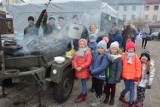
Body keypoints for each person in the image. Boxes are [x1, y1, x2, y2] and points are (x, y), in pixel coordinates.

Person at [119, 39, 142, 107]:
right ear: (127, 49)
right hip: (125, 76)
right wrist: (120, 74)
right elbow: (120, 65)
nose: (131, 50)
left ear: (134, 49)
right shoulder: (123, 56)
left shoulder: (136, 57)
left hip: (133, 77)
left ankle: (130, 102)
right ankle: (122, 95)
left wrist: (137, 76)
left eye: (132, 49)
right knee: (127, 88)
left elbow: (138, 67)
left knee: (131, 89)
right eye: (130, 49)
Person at [89, 40, 109, 107]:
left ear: (105, 49)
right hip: (94, 75)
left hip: (100, 76)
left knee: (99, 88)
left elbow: (102, 67)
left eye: (102, 48)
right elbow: (92, 62)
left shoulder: (105, 57)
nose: (100, 49)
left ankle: (98, 98)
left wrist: (93, 71)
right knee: (95, 87)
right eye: (99, 48)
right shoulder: (96, 54)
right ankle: (97, 96)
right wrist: (90, 69)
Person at [73, 39, 92, 103]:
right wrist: (76, 67)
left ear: (86, 44)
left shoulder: (87, 52)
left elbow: (88, 62)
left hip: (84, 70)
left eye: (83, 44)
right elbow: (74, 60)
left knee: (84, 83)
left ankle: (83, 95)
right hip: (79, 70)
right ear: (79, 45)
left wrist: (81, 67)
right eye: (80, 44)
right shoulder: (77, 52)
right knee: (82, 82)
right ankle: (84, 93)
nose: (82, 45)